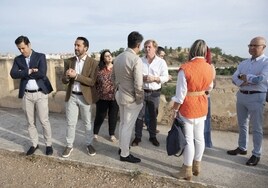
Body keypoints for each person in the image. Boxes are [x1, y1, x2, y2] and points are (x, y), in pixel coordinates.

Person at [171, 39, 213, 181]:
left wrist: (175, 109)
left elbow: (180, 94)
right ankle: (197, 166)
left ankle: (187, 170)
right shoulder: (209, 67)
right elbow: (210, 87)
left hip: (188, 106)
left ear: (192, 50)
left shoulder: (185, 68)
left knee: (189, 140)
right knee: (199, 138)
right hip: (202, 104)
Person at [227, 36, 268, 166]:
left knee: (256, 127)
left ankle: (256, 153)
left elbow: (261, 79)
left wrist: (246, 78)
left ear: (263, 47)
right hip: (242, 95)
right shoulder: (244, 63)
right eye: (250, 45)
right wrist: (244, 81)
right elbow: (234, 77)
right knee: (242, 123)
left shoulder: (266, 63)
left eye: (255, 45)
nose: (252, 48)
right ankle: (242, 147)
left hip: (257, 96)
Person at [10, 35, 53, 156]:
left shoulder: (40, 56)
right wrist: (29, 71)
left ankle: (48, 144)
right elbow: (13, 74)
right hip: (26, 95)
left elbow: (42, 73)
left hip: (40, 93)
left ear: (29, 45)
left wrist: (22, 73)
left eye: (23, 48)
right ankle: (34, 144)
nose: (21, 51)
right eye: (19, 49)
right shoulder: (18, 59)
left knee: (44, 121)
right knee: (30, 122)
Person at [61, 37, 99, 158]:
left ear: (85, 48)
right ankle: (69, 145)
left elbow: (92, 81)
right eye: (75, 45)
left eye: (78, 45)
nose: (76, 48)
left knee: (87, 123)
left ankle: (88, 144)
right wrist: (67, 76)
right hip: (72, 96)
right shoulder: (69, 61)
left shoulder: (93, 63)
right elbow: (64, 80)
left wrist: (76, 76)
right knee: (70, 123)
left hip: (85, 97)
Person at [112, 31, 144, 163]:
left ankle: (122, 147)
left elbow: (112, 78)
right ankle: (124, 154)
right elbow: (138, 84)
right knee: (127, 126)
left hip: (120, 95)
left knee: (123, 124)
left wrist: (120, 88)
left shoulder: (118, 57)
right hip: (131, 99)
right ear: (138, 44)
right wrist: (140, 99)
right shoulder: (136, 59)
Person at [131, 40, 169, 147]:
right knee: (139, 116)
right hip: (141, 92)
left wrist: (155, 78)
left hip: (154, 93)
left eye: (149, 47)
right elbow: (133, 74)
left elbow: (165, 77)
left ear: (155, 48)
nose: (147, 49)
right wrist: (142, 77)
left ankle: (153, 137)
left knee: (153, 116)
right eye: (145, 47)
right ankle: (137, 137)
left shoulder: (161, 62)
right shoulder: (139, 60)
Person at [93, 50, 119, 142]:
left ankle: (112, 134)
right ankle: (95, 133)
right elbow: (94, 82)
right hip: (102, 97)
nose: (109, 57)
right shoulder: (99, 69)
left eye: (110, 55)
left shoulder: (116, 68)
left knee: (113, 116)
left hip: (114, 97)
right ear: (103, 59)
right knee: (100, 116)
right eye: (107, 56)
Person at [204, 47, 216, 148]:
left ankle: (205, 143)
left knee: (205, 121)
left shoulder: (210, 66)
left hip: (205, 97)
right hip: (196, 98)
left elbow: (212, 84)